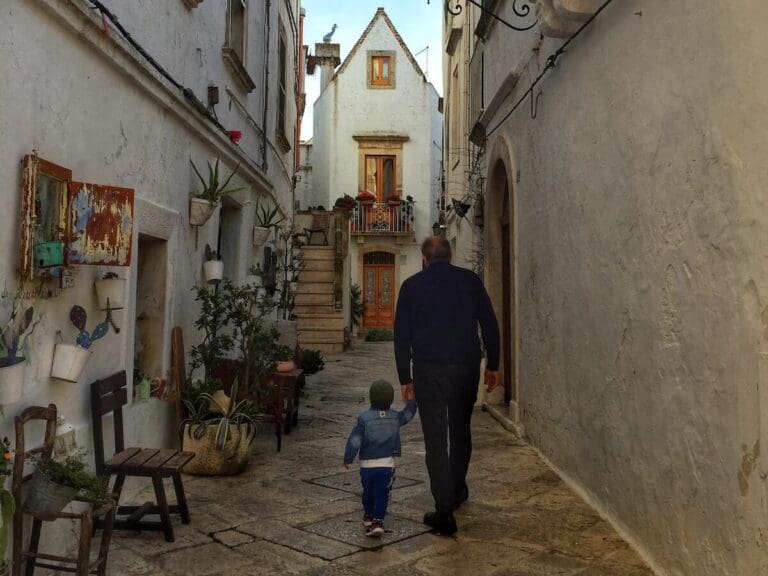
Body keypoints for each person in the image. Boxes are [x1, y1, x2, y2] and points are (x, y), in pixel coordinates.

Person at [394, 236, 500, 535]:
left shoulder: (411, 286)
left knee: (436, 439)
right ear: (450, 256)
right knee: (461, 430)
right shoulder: (470, 281)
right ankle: (456, 490)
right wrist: (493, 365)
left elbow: (401, 335)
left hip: (428, 370)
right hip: (465, 368)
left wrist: (405, 377)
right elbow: (489, 323)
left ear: (424, 259)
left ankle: (444, 510)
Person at [343, 379, 417, 537]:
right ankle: (378, 521)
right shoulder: (395, 417)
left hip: (367, 466)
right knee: (382, 493)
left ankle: (368, 515)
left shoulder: (364, 418)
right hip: (386, 465)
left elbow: (355, 441)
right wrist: (411, 401)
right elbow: (408, 415)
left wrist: (348, 458)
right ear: (390, 399)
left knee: (367, 492)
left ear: (371, 398)